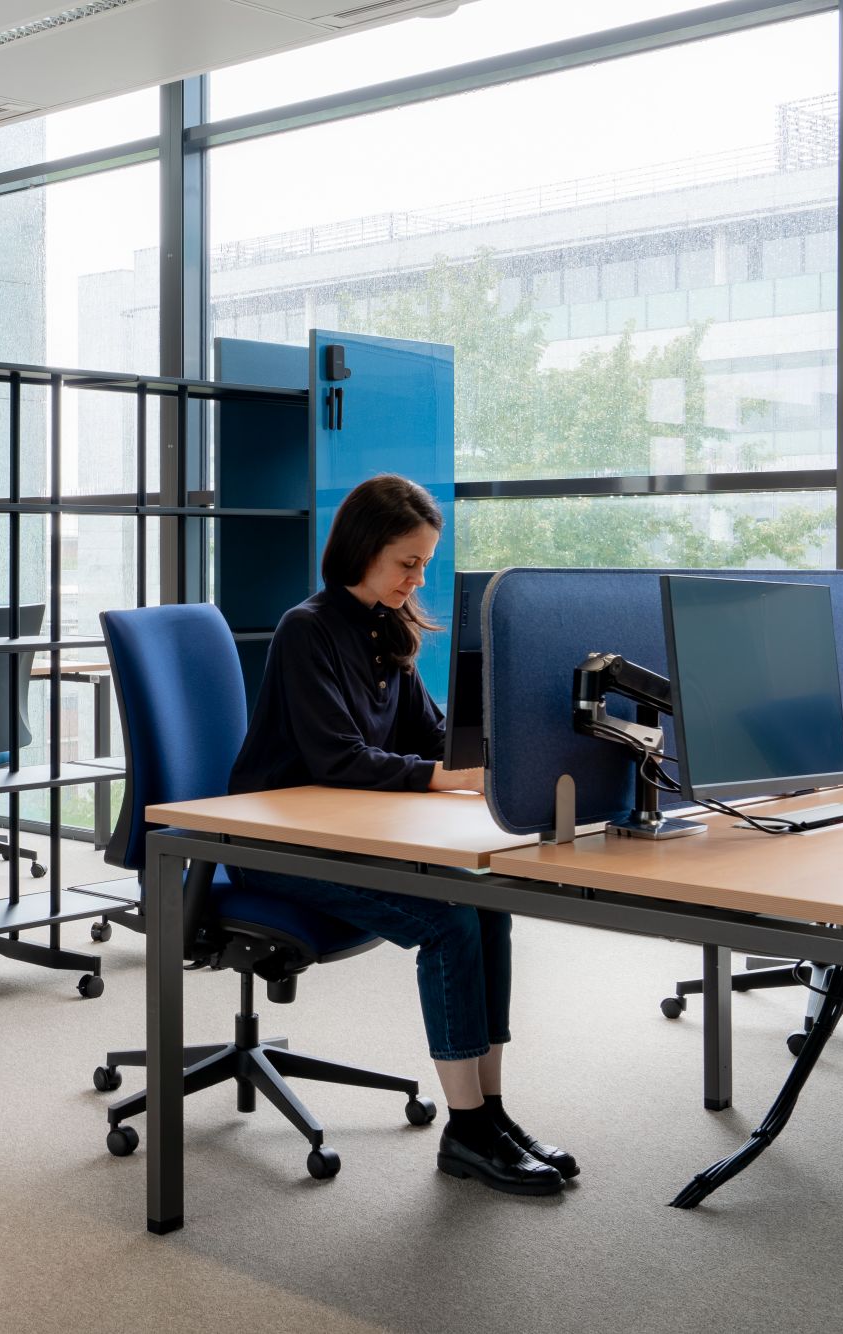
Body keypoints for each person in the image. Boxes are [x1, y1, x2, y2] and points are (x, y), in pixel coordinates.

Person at [227, 473, 577, 1197]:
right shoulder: (306, 630)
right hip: (272, 845)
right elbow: (339, 760)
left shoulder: (387, 627)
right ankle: (465, 1129)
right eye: (407, 563)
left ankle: (492, 1112)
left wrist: (493, 756)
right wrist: (448, 778)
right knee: (448, 923)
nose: (418, 579)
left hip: (344, 834)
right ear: (364, 549)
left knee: (488, 903)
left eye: (424, 564)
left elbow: (430, 735)